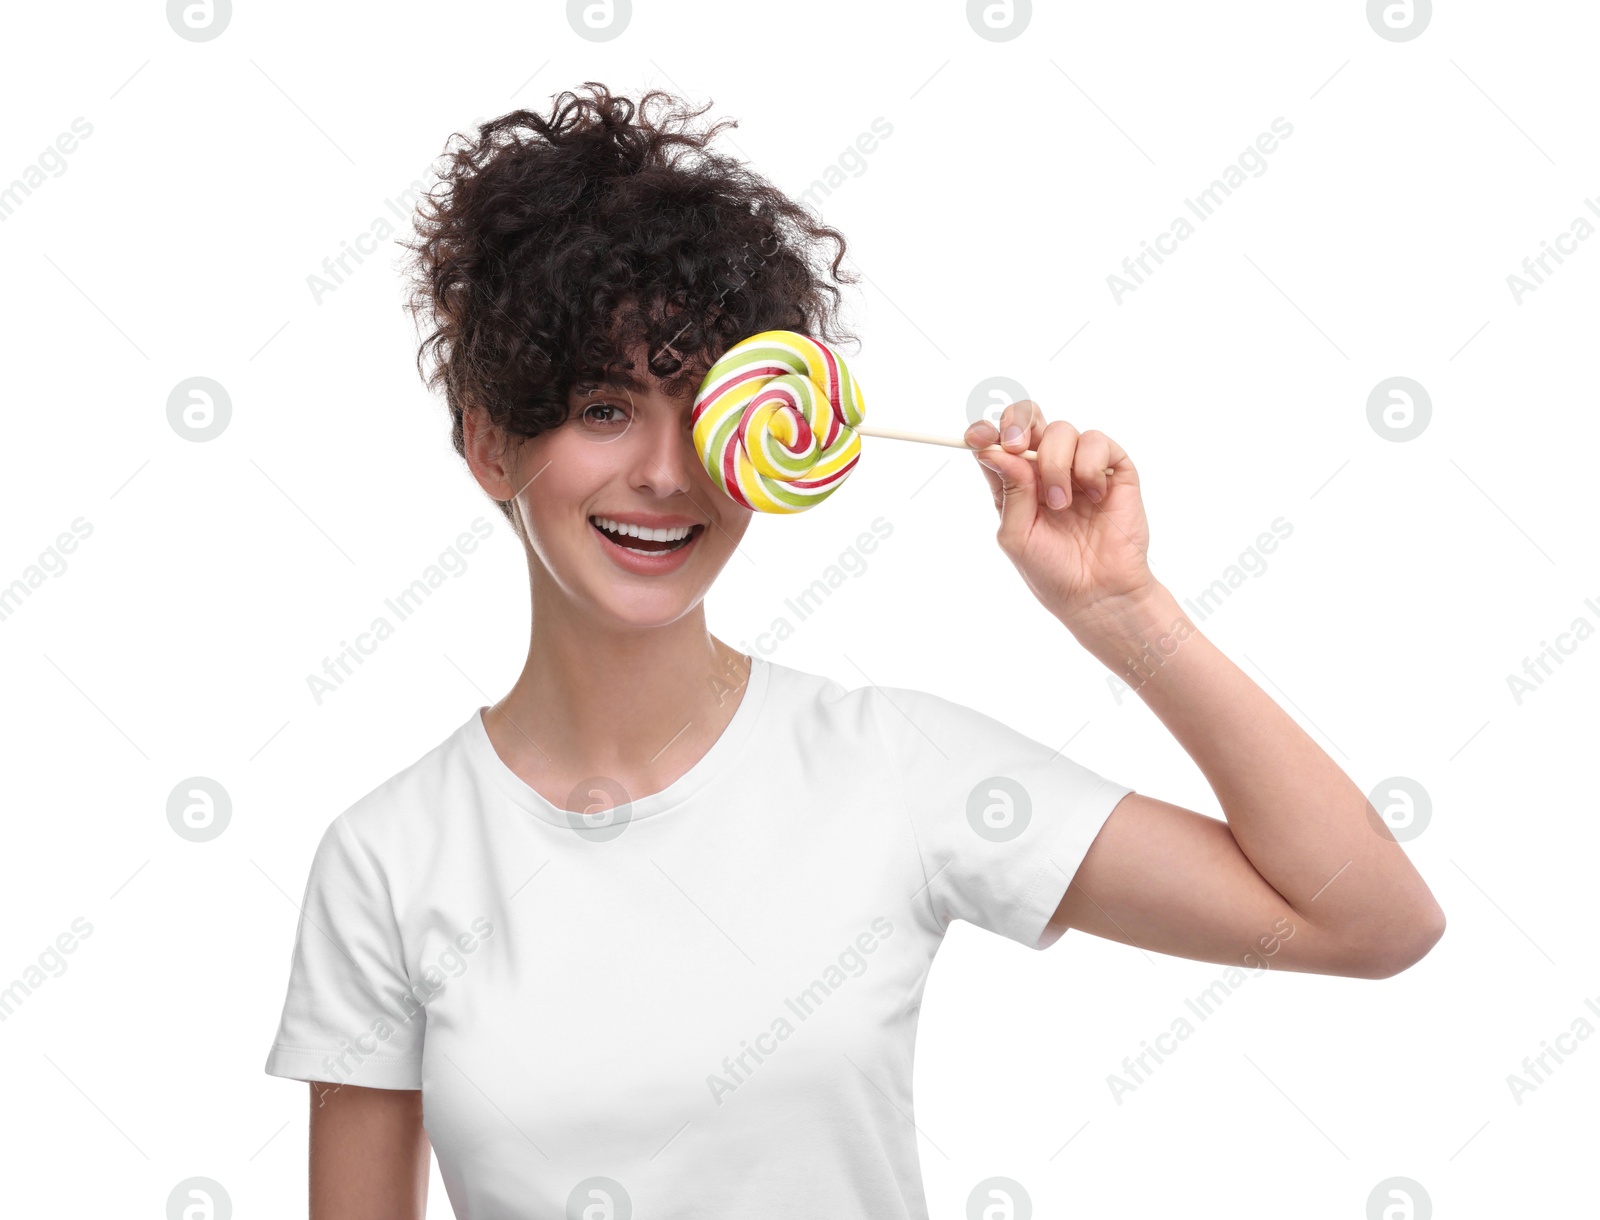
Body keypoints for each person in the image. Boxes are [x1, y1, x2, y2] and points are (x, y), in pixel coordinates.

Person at [264, 82, 1445, 1220]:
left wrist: (1119, 610)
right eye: (602, 407)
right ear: (488, 442)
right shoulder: (387, 859)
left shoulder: (892, 764)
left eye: (702, 403)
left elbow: (1370, 921)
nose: (668, 473)